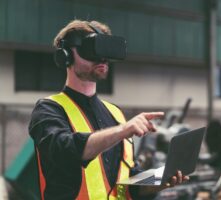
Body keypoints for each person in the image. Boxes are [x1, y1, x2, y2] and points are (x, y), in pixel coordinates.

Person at [29, 20, 188, 200]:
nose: (102, 59)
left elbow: (125, 182)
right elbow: (65, 151)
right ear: (66, 56)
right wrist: (123, 130)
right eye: (92, 50)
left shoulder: (115, 113)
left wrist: (157, 182)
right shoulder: (48, 109)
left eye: (105, 52)